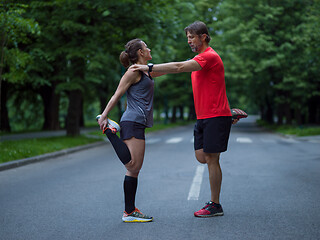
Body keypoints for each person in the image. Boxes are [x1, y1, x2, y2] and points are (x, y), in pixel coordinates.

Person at [131, 21, 236, 218]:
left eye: (192, 37)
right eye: (187, 38)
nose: (189, 41)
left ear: (203, 36)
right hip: (204, 116)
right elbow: (164, 71)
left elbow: (179, 66)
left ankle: (215, 204)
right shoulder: (198, 59)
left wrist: (149, 66)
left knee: (212, 158)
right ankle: (227, 118)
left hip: (215, 115)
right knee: (201, 157)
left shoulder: (209, 57)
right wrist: (143, 69)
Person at [97, 38, 163, 222]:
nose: (149, 48)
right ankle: (110, 132)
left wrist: (191, 64)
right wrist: (104, 115)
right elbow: (117, 94)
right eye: (146, 47)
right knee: (133, 165)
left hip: (137, 122)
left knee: (133, 170)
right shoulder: (132, 72)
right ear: (141, 52)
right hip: (132, 120)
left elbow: (168, 69)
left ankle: (129, 211)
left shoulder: (147, 71)